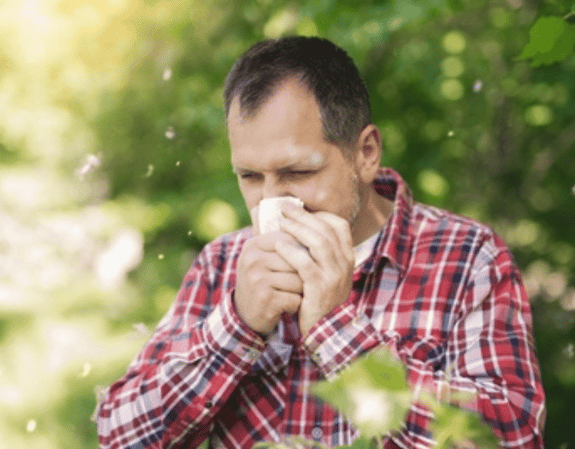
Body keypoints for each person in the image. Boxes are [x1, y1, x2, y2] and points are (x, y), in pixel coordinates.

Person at [95, 36, 545, 449]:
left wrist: (336, 330)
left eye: (298, 172)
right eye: (251, 177)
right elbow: (118, 435)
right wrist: (237, 325)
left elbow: (511, 439)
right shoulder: (223, 264)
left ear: (365, 153)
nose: (272, 200)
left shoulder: (468, 259)